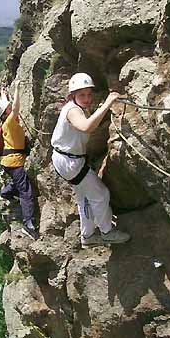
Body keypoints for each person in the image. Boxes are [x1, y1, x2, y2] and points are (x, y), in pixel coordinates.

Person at [51, 73, 131, 248]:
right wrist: (110, 102)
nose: (87, 99)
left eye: (89, 94)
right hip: (70, 163)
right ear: (73, 95)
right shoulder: (72, 110)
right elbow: (86, 126)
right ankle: (107, 232)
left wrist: (101, 108)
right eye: (82, 95)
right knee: (101, 195)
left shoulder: (73, 106)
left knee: (85, 198)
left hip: (65, 159)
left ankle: (87, 235)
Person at [0, 81, 39, 240]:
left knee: (18, 182)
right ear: (5, 113)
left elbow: (8, 108)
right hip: (15, 162)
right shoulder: (10, 122)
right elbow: (17, 107)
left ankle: (5, 193)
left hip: (9, 162)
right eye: (8, 108)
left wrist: (4, 93)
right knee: (26, 192)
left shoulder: (6, 122)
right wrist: (18, 89)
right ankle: (28, 224)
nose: (11, 108)